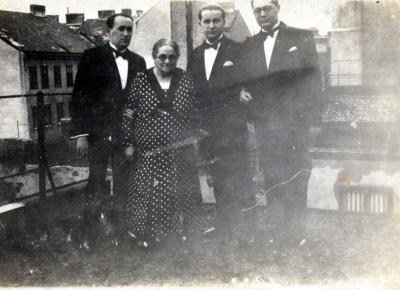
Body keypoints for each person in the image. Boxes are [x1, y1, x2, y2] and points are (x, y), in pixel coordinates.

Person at [239, 0, 322, 247]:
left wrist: (314, 121)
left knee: (296, 176)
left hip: (295, 124)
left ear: (277, 8)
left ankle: (297, 233)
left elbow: (314, 80)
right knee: (273, 178)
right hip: (266, 124)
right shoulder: (250, 44)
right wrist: (240, 91)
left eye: (267, 8)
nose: (262, 13)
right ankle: (277, 232)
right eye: (257, 10)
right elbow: (241, 77)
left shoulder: (301, 37)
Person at [70, 13, 146, 248]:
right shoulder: (91, 57)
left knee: (125, 182)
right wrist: (81, 134)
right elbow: (80, 97)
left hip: (126, 134)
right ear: (109, 31)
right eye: (121, 29)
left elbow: (140, 102)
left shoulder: (138, 61)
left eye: (129, 30)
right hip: (97, 133)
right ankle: (89, 235)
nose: (126, 34)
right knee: (96, 182)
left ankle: (122, 233)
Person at [122, 39, 200, 248]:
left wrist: (194, 139)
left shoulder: (185, 78)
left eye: (171, 57)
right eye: (162, 57)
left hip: (179, 151)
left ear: (177, 58)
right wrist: (128, 142)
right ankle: (147, 236)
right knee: (150, 193)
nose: (166, 61)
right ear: (154, 57)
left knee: (180, 191)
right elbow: (129, 113)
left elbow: (194, 111)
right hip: (149, 153)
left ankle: (180, 236)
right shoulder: (141, 79)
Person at [187, 4, 249, 258]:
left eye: (216, 21)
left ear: (224, 22)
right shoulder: (195, 54)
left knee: (235, 178)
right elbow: (191, 90)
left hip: (232, 127)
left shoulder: (238, 50)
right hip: (207, 129)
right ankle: (223, 225)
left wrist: (244, 91)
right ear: (200, 25)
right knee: (215, 177)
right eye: (207, 22)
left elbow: (249, 80)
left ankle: (237, 230)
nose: (211, 26)